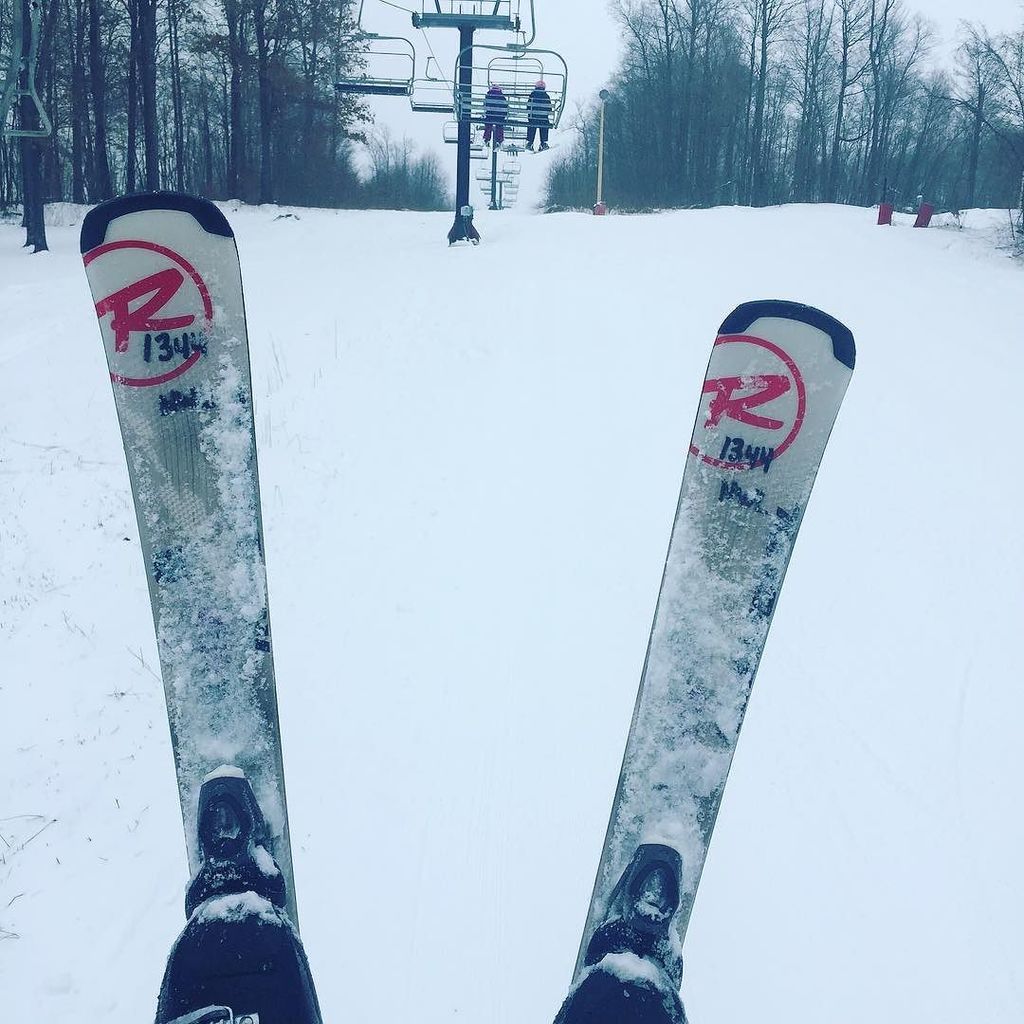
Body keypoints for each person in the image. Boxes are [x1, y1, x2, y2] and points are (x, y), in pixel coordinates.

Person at [525, 79, 552, 152]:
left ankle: (530, 142)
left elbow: (528, 106)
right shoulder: (546, 96)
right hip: (543, 119)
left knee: (531, 125)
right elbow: (549, 109)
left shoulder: (532, 94)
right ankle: (543, 143)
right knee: (544, 125)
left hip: (533, 118)